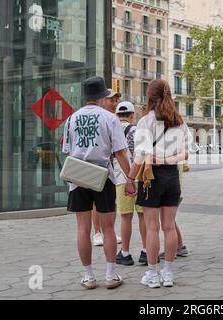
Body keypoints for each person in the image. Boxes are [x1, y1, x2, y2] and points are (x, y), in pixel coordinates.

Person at [62, 76, 135, 290]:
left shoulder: (72, 119)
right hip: (104, 176)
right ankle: (111, 275)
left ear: (85, 96)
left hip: (78, 176)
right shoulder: (109, 118)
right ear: (103, 96)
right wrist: (130, 179)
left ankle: (88, 276)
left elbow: (67, 150)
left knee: (83, 228)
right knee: (108, 228)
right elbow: (121, 153)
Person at [127, 80, 189, 289]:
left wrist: (129, 179)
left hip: (151, 177)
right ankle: (168, 273)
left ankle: (153, 274)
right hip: (172, 176)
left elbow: (140, 156)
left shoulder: (146, 121)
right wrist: (168, 160)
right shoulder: (179, 121)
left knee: (152, 228)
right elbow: (186, 153)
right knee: (169, 227)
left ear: (150, 97)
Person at [113, 101, 148, 266]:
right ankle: (146, 251)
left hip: (121, 177)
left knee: (126, 217)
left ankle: (125, 254)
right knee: (143, 216)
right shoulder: (138, 130)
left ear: (117, 115)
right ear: (132, 115)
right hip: (139, 177)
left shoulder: (112, 129)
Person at [92, 88, 122, 247]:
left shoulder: (113, 118)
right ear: (103, 100)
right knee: (97, 202)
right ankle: (97, 232)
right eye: (112, 100)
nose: (115, 103)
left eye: (116, 100)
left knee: (111, 202)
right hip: (97, 165)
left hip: (111, 166)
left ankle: (108, 230)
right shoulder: (101, 118)